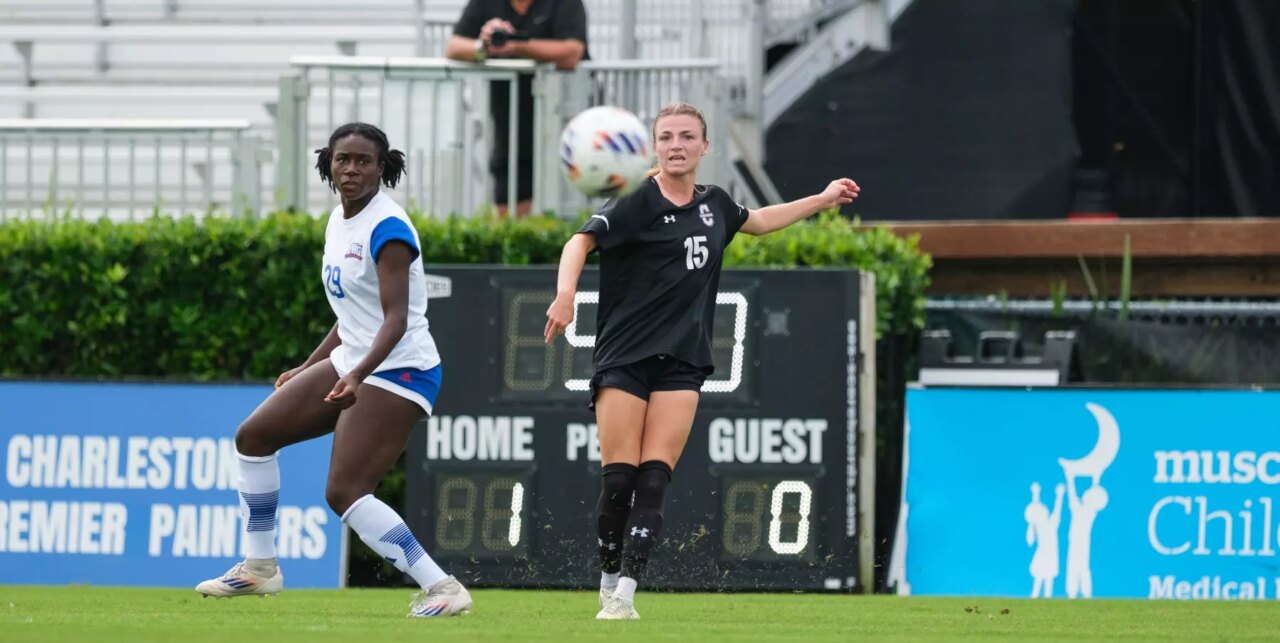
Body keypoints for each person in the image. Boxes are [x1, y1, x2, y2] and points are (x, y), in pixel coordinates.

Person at [543, 102, 860, 620]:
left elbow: (757, 221)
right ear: (653, 146)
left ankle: (624, 595)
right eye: (666, 136)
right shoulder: (636, 201)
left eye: (686, 137)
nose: (676, 145)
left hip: (683, 362)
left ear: (704, 147)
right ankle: (606, 575)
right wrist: (565, 295)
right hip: (624, 356)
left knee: (654, 478)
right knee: (619, 480)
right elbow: (578, 242)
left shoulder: (715, 204)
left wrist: (822, 200)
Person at [195, 122, 472, 618]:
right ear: (328, 163)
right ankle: (260, 568)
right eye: (343, 159)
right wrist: (309, 366)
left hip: (400, 369)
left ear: (382, 168)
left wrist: (357, 374)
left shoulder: (389, 229)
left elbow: (396, 319)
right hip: (356, 359)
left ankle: (443, 587)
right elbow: (351, 315)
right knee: (253, 437)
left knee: (344, 492)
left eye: (364, 161)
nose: (351, 169)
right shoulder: (338, 220)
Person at [445, 0, 589, 217]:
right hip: (511, 118)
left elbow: (572, 52)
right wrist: (483, 47)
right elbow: (453, 47)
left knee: (571, 199)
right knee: (509, 201)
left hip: (566, 114)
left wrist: (517, 46)